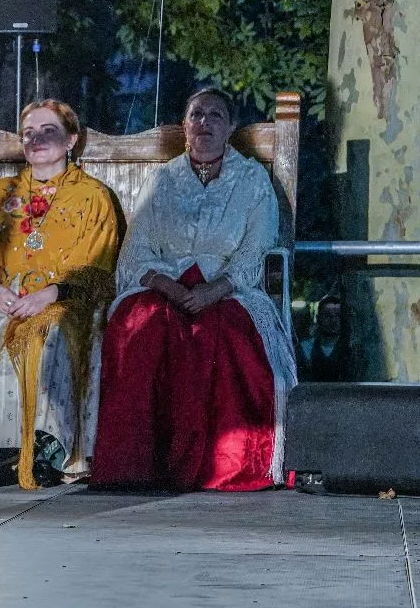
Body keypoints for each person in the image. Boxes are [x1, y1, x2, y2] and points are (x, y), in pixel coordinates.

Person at [91, 87, 298, 491]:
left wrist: (215, 289)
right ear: (184, 126)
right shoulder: (163, 179)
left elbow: (257, 248)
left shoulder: (253, 180)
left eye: (215, 115)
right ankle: (139, 464)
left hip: (229, 289)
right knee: (143, 324)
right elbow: (137, 248)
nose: (204, 123)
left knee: (222, 331)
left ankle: (223, 464)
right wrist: (164, 284)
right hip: (164, 285)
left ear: (231, 127)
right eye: (196, 115)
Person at [0, 100, 121, 490]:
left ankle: (48, 451)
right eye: (28, 133)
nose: (36, 139)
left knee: (46, 336)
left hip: (64, 300)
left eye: (48, 131)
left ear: (71, 140)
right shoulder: (4, 192)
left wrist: (52, 293)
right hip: (7, 297)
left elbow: (98, 265)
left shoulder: (93, 196)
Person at [298, 294, 348, 382]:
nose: (333, 320)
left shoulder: (351, 350)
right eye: (328, 316)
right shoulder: (305, 349)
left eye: (338, 316)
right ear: (318, 319)